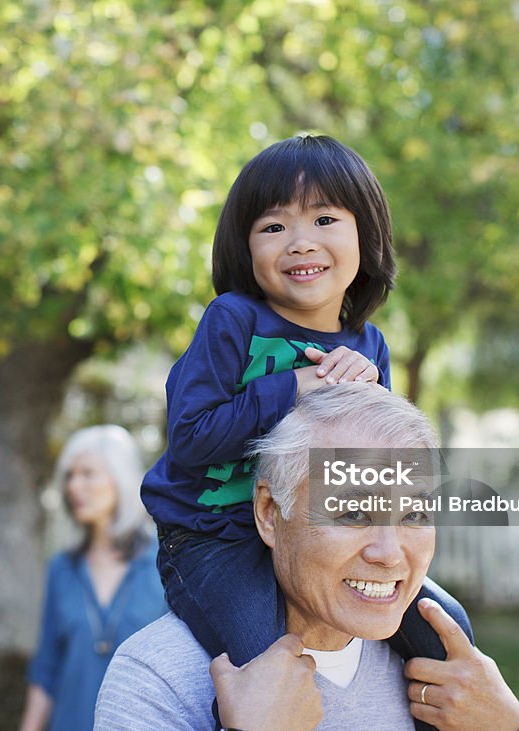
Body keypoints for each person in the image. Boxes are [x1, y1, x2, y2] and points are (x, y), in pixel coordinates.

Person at [140, 134, 471, 727]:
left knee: (447, 629)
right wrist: (292, 388)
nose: (300, 242)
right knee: (265, 655)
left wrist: (366, 397)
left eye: (324, 218)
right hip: (214, 536)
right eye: (273, 227)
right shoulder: (233, 321)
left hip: (315, 538)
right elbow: (190, 439)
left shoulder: (369, 346)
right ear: (245, 245)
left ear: (364, 237)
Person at [96, 383, 519, 731]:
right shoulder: (161, 675)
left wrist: (512, 725)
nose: (389, 553)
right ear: (270, 513)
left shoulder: (454, 679)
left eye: (416, 512)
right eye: (352, 512)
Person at [19, 425, 168, 731]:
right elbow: (46, 669)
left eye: (88, 474)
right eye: (69, 476)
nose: (74, 486)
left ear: (120, 479)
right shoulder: (61, 568)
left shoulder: (166, 561)